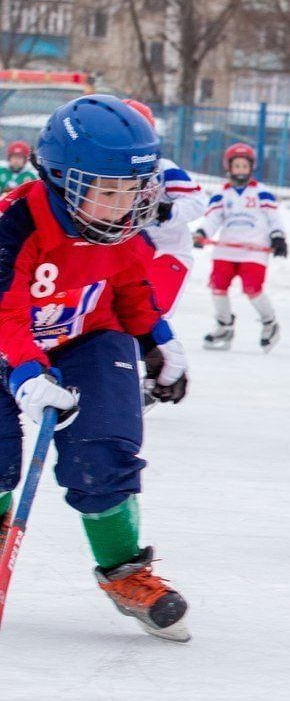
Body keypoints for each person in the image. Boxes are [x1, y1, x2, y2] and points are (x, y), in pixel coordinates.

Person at [0, 95, 191, 641]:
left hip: (86, 338)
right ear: (61, 180)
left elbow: (131, 285)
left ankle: (125, 571)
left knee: (105, 451)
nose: (124, 205)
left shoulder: (120, 228)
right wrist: (24, 374)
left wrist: (158, 341)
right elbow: (5, 310)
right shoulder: (15, 225)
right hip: (8, 345)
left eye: (133, 190)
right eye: (108, 191)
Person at [120, 100, 206, 408]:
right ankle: (133, 375)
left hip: (169, 252)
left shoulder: (164, 169)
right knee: (120, 312)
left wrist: (169, 211)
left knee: (151, 310)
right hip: (132, 252)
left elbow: (199, 202)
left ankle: (161, 372)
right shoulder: (111, 169)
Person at [194, 143, 286, 353]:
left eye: (245, 166)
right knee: (218, 285)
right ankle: (224, 326)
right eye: (237, 166)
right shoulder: (222, 195)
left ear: (251, 167)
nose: (241, 170)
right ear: (229, 167)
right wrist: (202, 234)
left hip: (254, 250)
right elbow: (213, 218)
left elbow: (274, 218)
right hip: (226, 249)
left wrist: (278, 237)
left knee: (252, 288)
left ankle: (269, 323)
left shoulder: (262, 193)